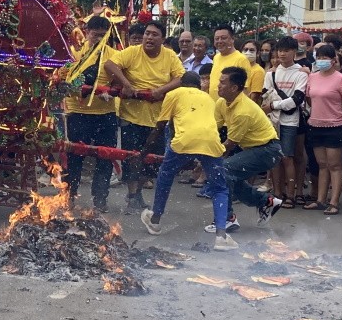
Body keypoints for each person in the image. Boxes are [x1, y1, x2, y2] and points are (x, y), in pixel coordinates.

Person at [141, 72, 235, 249]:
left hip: (185, 140)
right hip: (211, 142)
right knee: (220, 187)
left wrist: (144, 152)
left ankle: (155, 219)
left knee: (165, 176)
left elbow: (161, 126)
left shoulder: (173, 94)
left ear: (181, 84)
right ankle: (221, 236)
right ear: (198, 86)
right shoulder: (208, 98)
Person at [103, 20, 184, 211]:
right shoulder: (132, 52)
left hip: (158, 119)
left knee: (153, 161)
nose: (149, 37)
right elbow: (110, 64)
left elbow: (180, 78)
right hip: (131, 116)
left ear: (162, 39)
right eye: (147, 33)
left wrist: (161, 90)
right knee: (132, 158)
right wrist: (126, 84)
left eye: (154, 34)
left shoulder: (170, 56)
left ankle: (138, 190)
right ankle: (132, 195)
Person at [215, 66, 283, 228]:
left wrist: (209, 159)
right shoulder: (221, 102)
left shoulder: (243, 110)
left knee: (223, 169)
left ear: (234, 87)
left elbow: (230, 144)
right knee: (230, 176)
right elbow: (212, 130)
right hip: (255, 150)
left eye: (223, 83)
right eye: (219, 81)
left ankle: (227, 219)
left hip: (268, 151)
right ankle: (266, 202)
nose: (218, 85)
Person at [64, 16, 119, 212]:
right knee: (74, 157)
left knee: (106, 156)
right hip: (77, 112)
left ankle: (100, 199)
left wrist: (110, 91)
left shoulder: (115, 55)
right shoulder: (74, 52)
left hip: (105, 112)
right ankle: (68, 195)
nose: (99, 39)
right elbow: (64, 78)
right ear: (86, 32)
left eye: (103, 36)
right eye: (95, 35)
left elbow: (120, 81)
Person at [302, 43, 342, 214]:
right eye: (319, 57)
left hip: (335, 126)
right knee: (322, 164)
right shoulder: (313, 77)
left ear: (333, 60)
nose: (321, 61)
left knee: (335, 165)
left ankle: (334, 201)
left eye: (325, 58)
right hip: (315, 124)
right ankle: (320, 199)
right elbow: (309, 99)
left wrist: (339, 114)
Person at [263, 36, 308, 207]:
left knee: (288, 157)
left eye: (286, 50)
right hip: (273, 121)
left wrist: (274, 105)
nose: (282, 54)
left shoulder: (301, 73)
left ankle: (291, 194)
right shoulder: (271, 74)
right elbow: (265, 94)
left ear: (294, 52)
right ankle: (277, 192)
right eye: (280, 50)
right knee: (275, 157)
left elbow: (297, 99)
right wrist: (274, 106)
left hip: (291, 120)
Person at [205, 26, 249, 102]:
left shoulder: (241, 59)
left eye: (223, 38)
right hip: (214, 106)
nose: (220, 41)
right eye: (217, 39)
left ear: (232, 39)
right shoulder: (216, 57)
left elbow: (245, 89)